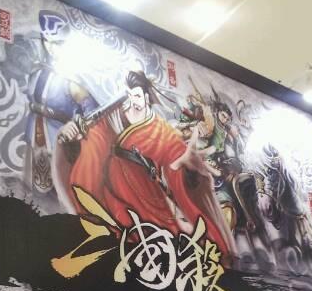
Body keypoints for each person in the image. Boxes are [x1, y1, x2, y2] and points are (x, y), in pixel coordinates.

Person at [58, 70, 234, 258]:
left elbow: (174, 156)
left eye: (137, 96)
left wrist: (183, 164)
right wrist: (75, 134)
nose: (132, 101)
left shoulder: (160, 129)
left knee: (170, 237)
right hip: (114, 187)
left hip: (149, 192)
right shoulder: (114, 115)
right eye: (129, 95)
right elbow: (97, 138)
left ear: (146, 97)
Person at [24, 12, 98, 193]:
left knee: (59, 189)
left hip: (60, 138)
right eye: (47, 41)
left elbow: (93, 113)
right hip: (34, 133)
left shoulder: (73, 80)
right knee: (30, 185)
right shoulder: (37, 71)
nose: (51, 48)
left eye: (57, 43)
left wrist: (77, 124)